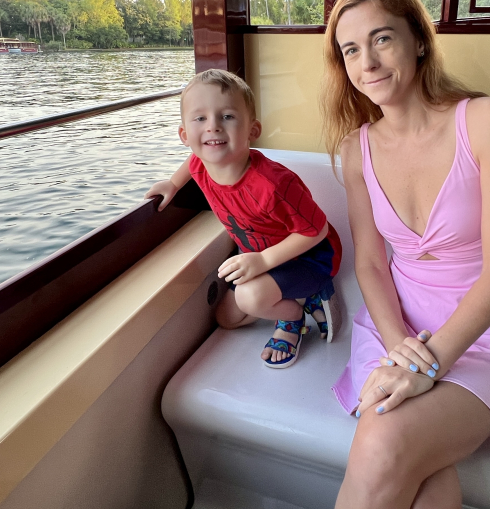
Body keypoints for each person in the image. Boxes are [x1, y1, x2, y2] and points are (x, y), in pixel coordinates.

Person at [322, 0, 490, 509]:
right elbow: (370, 264)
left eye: (382, 39)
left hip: (485, 335)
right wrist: (402, 351)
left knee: (385, 438)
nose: (366, 62)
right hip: (395, 329)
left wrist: (434, 360)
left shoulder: (488, 120)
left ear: (418, 40)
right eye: (349, 50)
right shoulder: (354, 151)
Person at [147, 69, 344, 368]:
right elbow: (192, 161)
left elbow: (316, 231)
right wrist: (172, 184)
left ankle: (293, 317)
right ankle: (306, 297)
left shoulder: (273, 184)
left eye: (226, 116)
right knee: (226, 318)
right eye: (200, 118)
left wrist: (263, 262)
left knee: (250, 298)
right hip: (259, 255)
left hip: (309, 257)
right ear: (185, 135)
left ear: (253, 130)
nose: (212, 127)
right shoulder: (201, 164)